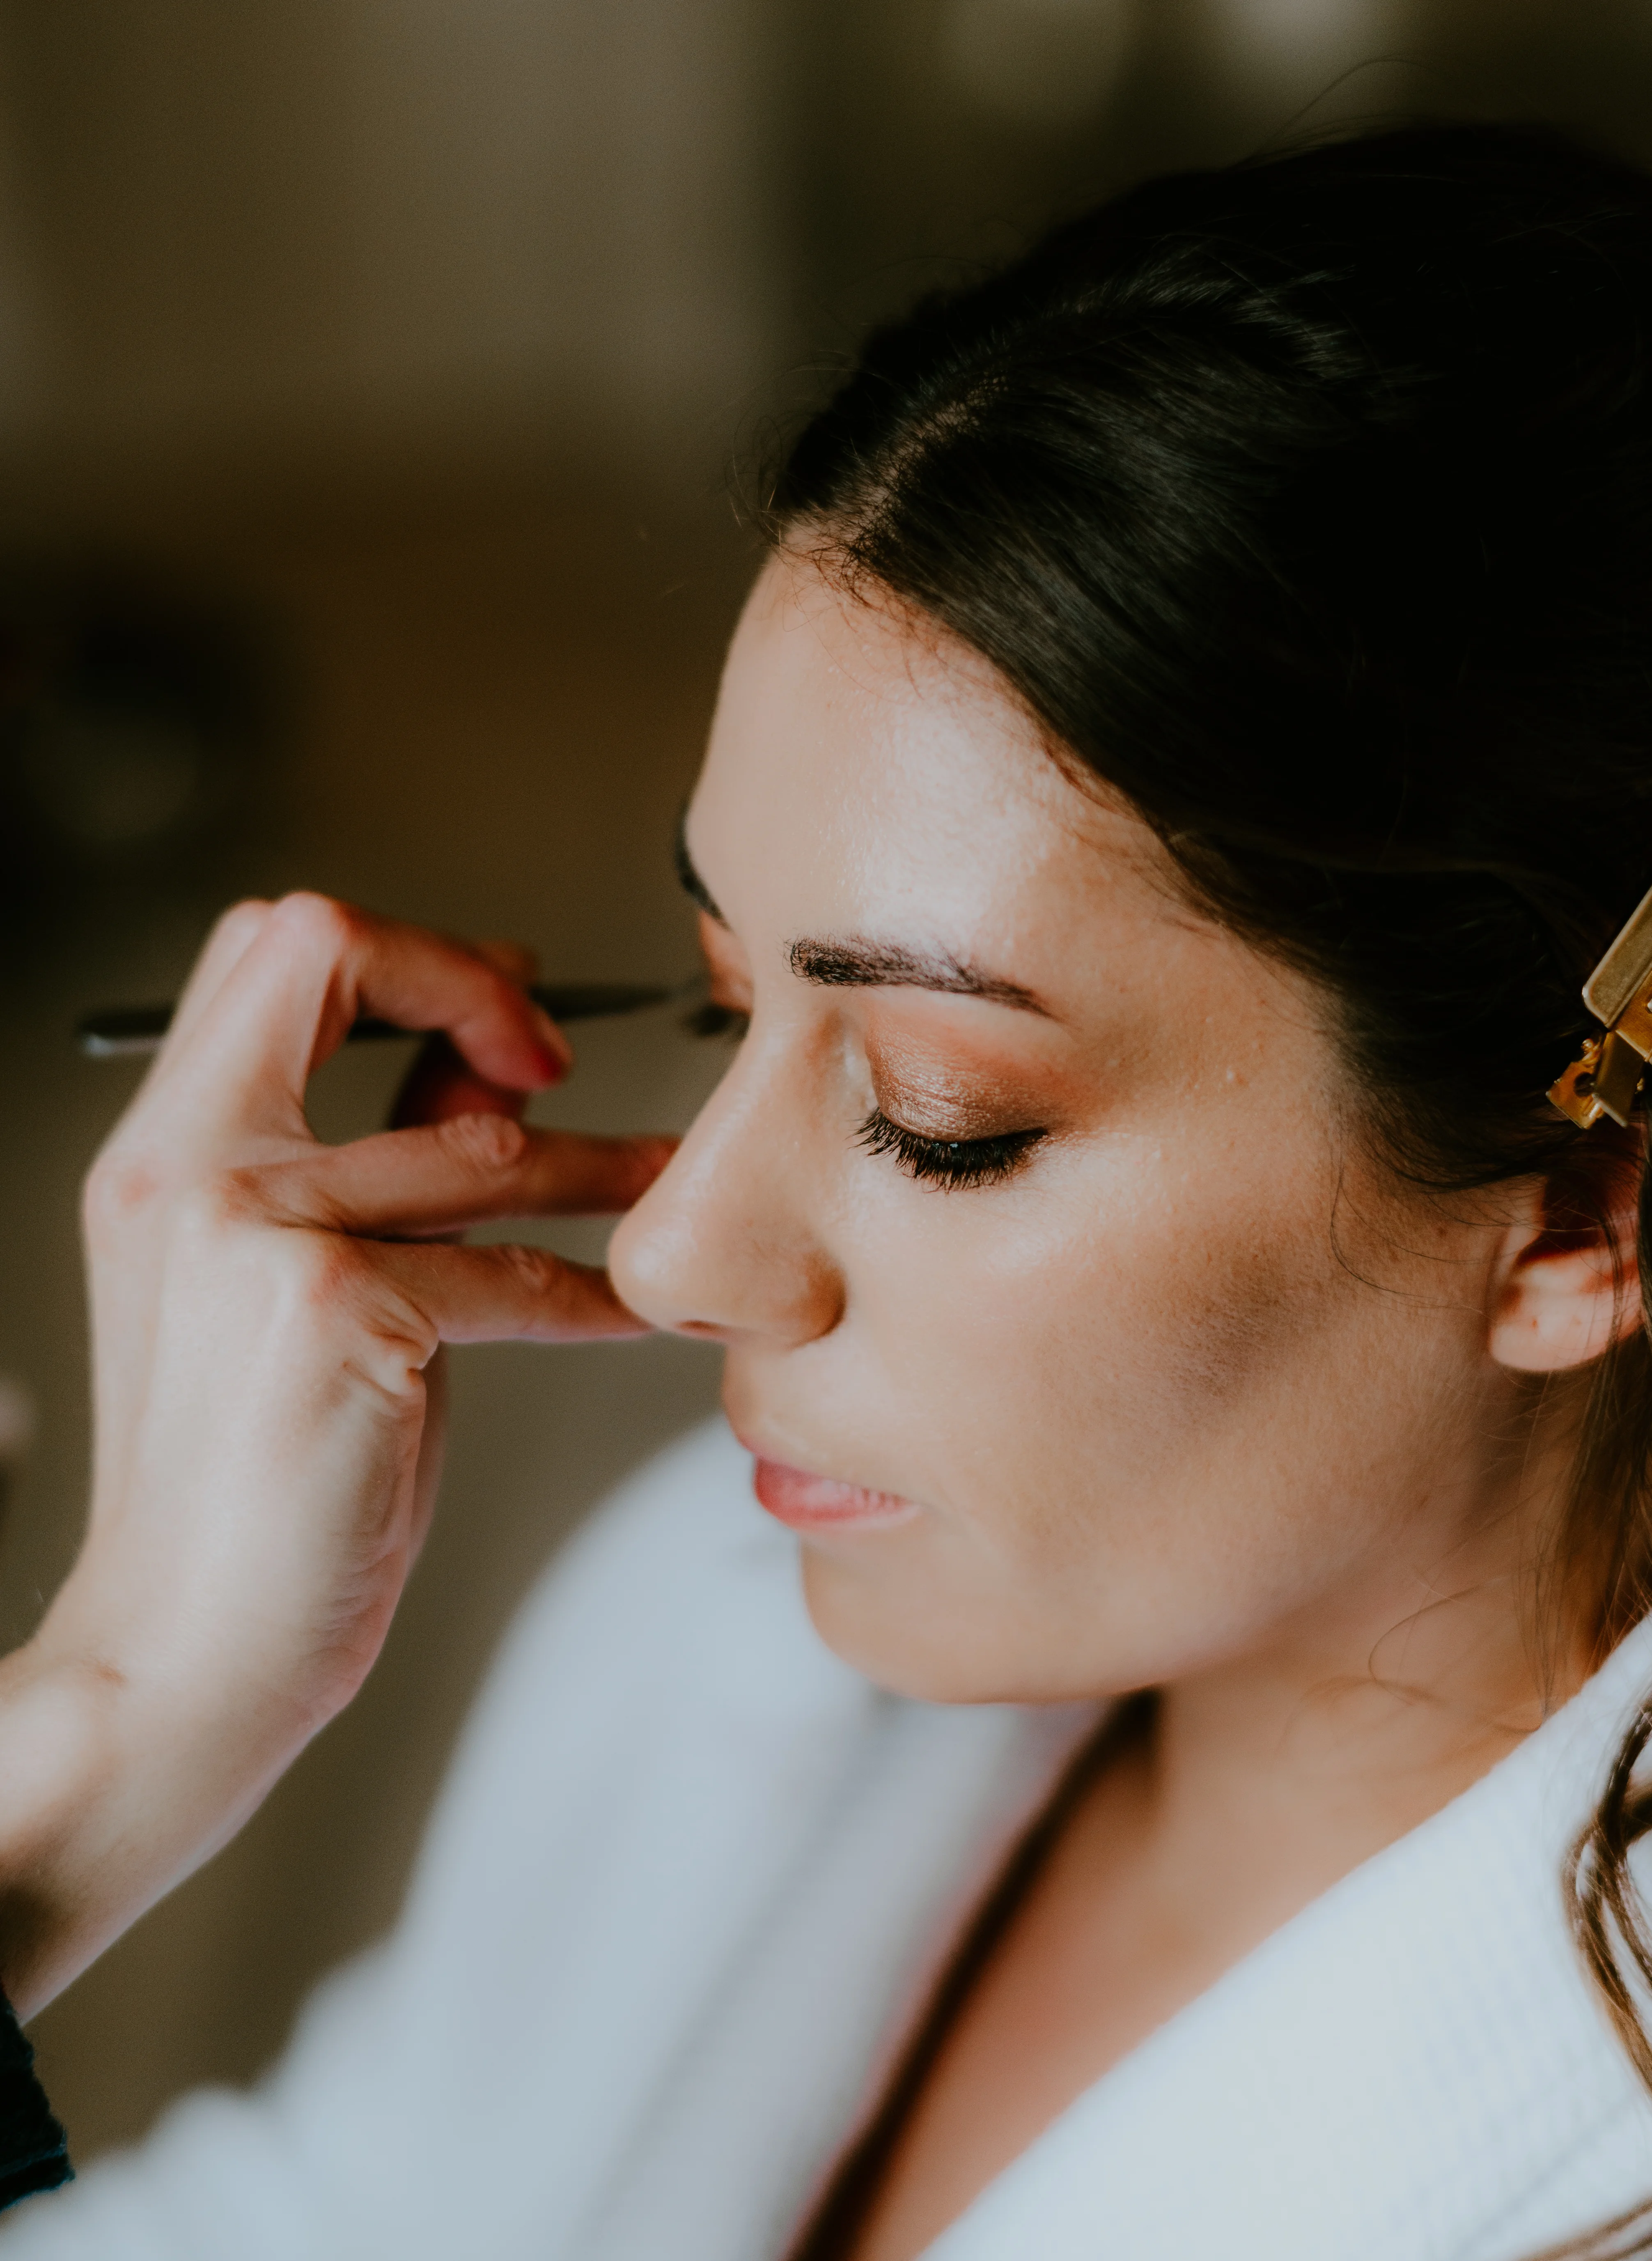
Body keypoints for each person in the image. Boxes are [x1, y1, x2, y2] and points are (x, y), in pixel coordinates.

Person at [0, 117, 1651, 2259]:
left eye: (932, 1107)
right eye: (716, 1002)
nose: (676, 1248)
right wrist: (96, 1746)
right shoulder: (730, 1632)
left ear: (1587, 1209)